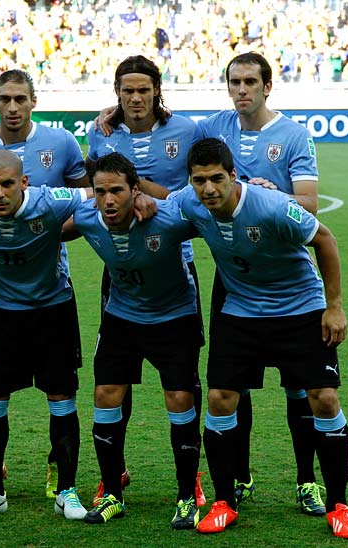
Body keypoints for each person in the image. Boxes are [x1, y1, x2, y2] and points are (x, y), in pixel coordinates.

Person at [170, 138, 348, 539]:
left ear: (233, 176)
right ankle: (224, 501)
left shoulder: (271, 206)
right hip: (241, 311)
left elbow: (324, 239)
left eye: (217, 179)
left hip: (300, 308)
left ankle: (339, 505)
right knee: (222, 398)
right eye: (199, 180)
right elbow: (157, 211)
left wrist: (335, 306)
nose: (208, 189)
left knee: (323, 398)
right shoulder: (189, 202)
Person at [195, 52, 323, 515]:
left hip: (286, 278)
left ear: (268, 86)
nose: (242, 89)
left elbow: (308, 204)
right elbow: (167, 130)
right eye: (235, 81)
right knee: (233, 386)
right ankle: (239, 475)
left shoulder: (292, 135)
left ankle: (307, 480)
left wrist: (274, 195)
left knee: (300, 387)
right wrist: (116, 114)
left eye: (251, 81)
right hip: (234, 281)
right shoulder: (212, 127)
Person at [0, 69, 88, 499]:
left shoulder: (62, 143)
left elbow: (85, 201)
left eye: (20, 99)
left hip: (51, 282)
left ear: (34, 101)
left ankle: (60, 471)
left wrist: (45, 232)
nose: (12, 107)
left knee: (59, 386)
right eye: (4, 99)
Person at [0, 149, 90, 520]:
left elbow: (97, 193)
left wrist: (136, 197)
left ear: (24, 183)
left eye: (8, 184)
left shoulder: (50, 201)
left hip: (53, 308)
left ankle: (67, 491)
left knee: (61, 395)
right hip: (0, 312)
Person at [87, 55, 204, 506]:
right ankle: (112, 475)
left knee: (180, 385)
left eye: (143, 89)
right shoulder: (101, 130)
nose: (135, 98)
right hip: (119, 266)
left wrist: (149, 194)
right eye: (126, 90)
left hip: (174, 261)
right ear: (116, 93)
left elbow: (200, 190)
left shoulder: (188, 131)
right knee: (115, 378)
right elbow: (98, 186)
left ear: (158, 90)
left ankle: (189, 479)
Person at [67, 153, 202, 529]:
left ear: (134, 190)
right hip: (121, 319)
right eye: (100, 192)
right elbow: (44, 224)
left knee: (179, 400)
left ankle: (187, 497)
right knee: (105, 395)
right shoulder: (87, 219)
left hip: (175, 319)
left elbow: (210, 212)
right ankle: (112, 493)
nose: (108, 200)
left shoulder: (167, 218)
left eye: (117, 191)